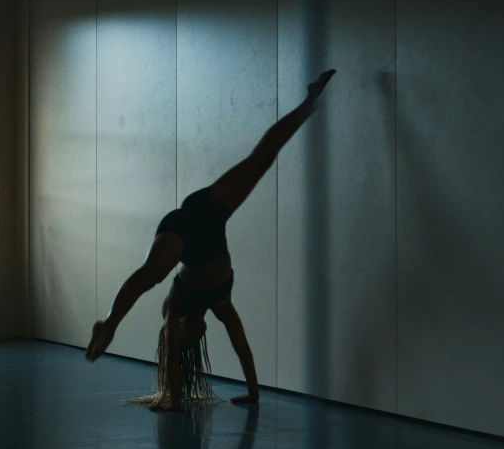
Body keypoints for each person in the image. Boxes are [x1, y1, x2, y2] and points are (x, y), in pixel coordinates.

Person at [85, 69, 337, 411]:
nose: (201, 334)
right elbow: (242, 347)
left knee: (153, 273)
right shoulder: (221, 305)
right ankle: (310, 103)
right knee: (263, 160)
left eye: (190, 336)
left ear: (180, 330)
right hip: (210, 224)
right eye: (200, 338)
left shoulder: (175, 306)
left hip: (185, 228)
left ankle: (109, 322)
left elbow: (171, 350)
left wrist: (113, 325)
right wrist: (254, 393)